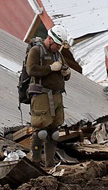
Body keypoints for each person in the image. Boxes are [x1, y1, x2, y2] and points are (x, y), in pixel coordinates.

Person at [26, 25, 71, 168]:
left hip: (57, 96)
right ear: (50, 39)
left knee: (54, 132)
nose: (58, 47)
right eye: (57, 44)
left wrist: (66, 72)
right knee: (41, 132)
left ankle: (50, 164)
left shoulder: (58, 54)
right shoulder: (36, 51)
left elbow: (66, 72)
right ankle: (36, 163)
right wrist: (50, 68)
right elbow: (31, 70)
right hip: (42, 95)